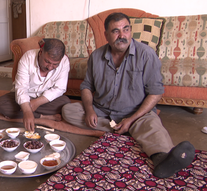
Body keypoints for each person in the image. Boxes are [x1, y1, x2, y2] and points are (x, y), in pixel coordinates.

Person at [62, 12, 195, 178]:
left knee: (151, 124)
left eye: (126, 29)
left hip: (136, 113)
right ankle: (125, 129)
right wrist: (89, 110)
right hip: (102, 111)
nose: (122, 35)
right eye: (115, 31)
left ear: (131, 31)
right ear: (106, 35)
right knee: (68, 110)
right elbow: (87, 87)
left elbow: (156, 93)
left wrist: (131, 119)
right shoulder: (96, 56)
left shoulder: (146, 55)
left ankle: (161, 158)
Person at [0, 38, 71, 132]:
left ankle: (31, 114)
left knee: (65, 102)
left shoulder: (64, 62)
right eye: (47, 62)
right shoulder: (27, 57)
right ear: (41, 52)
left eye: (55, 65)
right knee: (0, 103)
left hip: (44, 100)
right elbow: (21, 88)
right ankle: (44, 116)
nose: (50, 67)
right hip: (26, 96)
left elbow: (60, 88)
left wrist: (37, 102)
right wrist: (26, 110)